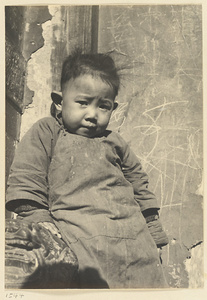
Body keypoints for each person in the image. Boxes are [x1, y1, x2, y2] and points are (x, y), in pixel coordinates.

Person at [6, 51, 169, 289]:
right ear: (60, 101)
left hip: (134, 235)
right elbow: (27, 178)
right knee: (92, 286)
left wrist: (153, 232)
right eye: (83, 103)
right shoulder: (48, 131)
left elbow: (139, 187)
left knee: (148, 286)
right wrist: (39, 219)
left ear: (113, 107)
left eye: (103, 106)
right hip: (79, 233)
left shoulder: (115, 142)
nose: (92, 115)